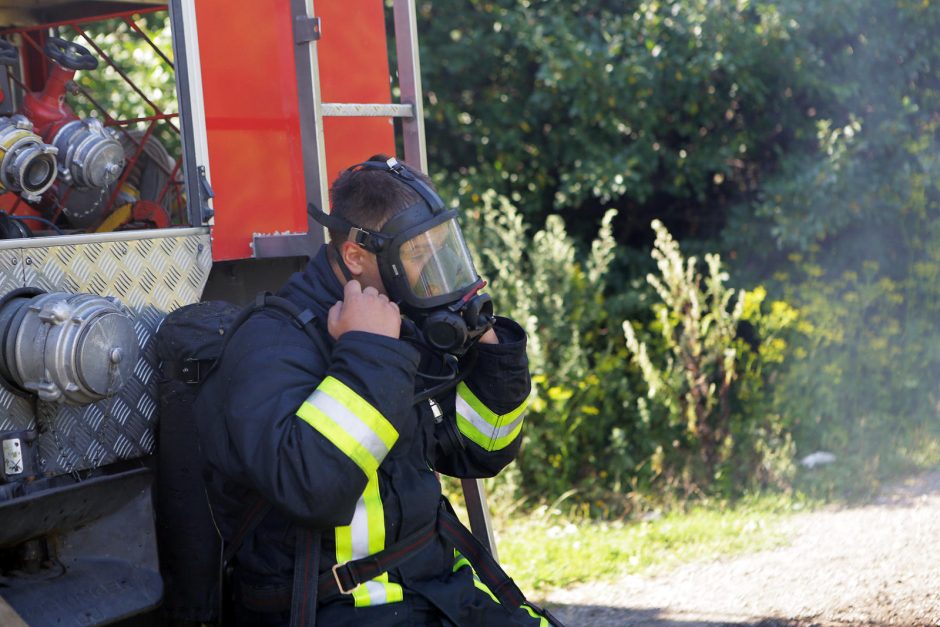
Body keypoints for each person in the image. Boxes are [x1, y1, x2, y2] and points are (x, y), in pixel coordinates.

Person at [195, 155, 556, 626]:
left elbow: (479, 452)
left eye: (440, 249)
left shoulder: (397, 317)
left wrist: (492, 360)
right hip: (340, 607)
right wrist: (367, 352)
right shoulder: (271, 343)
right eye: (418, 254)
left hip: (435, 589)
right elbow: (313, 489)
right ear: (356, 256)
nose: (433, 270)